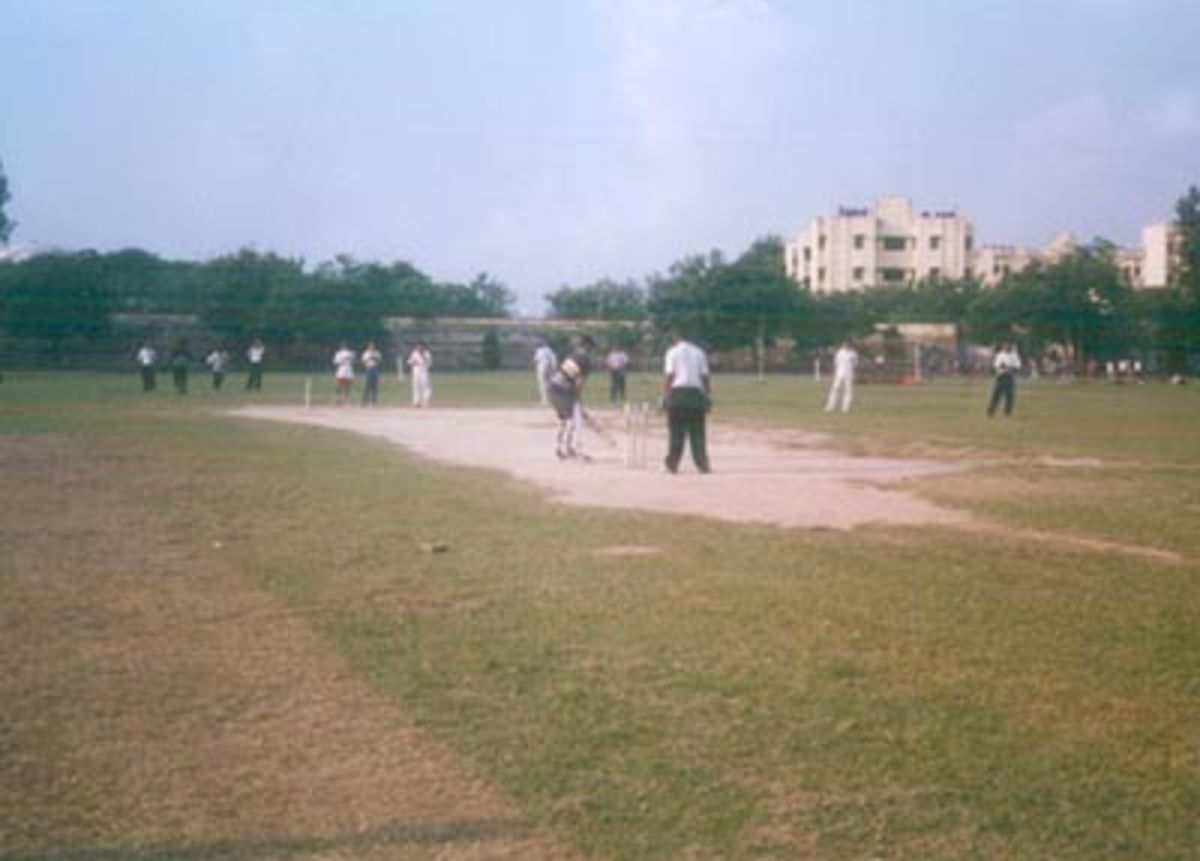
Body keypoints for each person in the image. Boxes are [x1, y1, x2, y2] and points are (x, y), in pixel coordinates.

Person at [662, 330, 711, 474]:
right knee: (698, 432)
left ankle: (672, 463)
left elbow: (670, 375)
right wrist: (707, 395)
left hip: (678, 393)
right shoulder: (699, 352)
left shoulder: (672, 352)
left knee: (676, 432)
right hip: (695, 394)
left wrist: (665, 394)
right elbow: (705, 376)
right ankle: (702, 464)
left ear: (676, 337)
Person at [547, 334, 596, 459]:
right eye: (591, 347)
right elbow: (580, 382)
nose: (592, 350)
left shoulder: (571, 355)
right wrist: (577, 398)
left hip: (552, 387)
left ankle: (559, 447)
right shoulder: (585, 360)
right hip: (563, 390)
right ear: (588, 346)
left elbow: (563, 372)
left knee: (564, 419)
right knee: (572, 420)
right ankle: (570, 449)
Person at [987, 342, 1022, 417]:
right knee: (996, 395)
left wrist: (1008, 367)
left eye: (1008, 346)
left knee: (1009, 396)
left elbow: (1017, 367)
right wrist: (1008, 367)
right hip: (1001, 376)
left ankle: (1007, 412)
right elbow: (997, 366)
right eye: (1005, 345)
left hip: (1009, 377)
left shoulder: (1014, 355)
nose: (1007, 347)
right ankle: (991, 411)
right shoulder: (1000, 355)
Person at [824, 339, 859, 413]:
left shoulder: (853, 354)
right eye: (844, 344)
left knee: (848, 391)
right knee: (835, 389)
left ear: (850, 345)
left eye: (847, 344)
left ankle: (845, 408)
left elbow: (855, 365)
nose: (846, 345)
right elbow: (836, 363)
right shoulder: (839, 352)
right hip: (839, 374)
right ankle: (830, 406)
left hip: (849, 374)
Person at [407, 341, 433, 408]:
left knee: (426, 388)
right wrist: (413, 362)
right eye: (418, 346)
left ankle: (426, 402)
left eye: (421, 346)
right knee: (416, 388)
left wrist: (422, 356)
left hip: (424, 372)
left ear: (423, 347)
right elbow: (409, 362)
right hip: (416, 373)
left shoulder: (427, 354)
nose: (419, 348)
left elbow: (428, 363)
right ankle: (416, 402)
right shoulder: (414, 353)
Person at [533, 339, 557, 405]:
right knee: (549, 383)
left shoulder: (539, 350)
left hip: (542, 365)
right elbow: (554, 360)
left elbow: (536, 360)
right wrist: (553, 368)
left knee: (542, 383)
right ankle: (552, 398)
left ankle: (545, 400)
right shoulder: (550, 350)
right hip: (550, 366)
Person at [332, 341, 356, 406]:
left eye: (345, 345)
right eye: (343, 345)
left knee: (347, 386)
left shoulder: (351, 353)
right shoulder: (338, 353)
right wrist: (342, 361)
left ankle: (346, 400)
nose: (344, 347)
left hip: (348, 369)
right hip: (341, 369)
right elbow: (336, 362)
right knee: (339, 385)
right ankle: (338, 399)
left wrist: (350, 360)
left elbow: (354, 361)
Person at [361, 341, 383, 406]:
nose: (372, 347)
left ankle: (373, 401)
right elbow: (363, 361)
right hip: (368, 368)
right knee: (367, 386)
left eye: (373, 346)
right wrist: (369, 358)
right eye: (370, 346)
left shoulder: (377, 353)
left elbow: (379, 360)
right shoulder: (366, 353)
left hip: (375, 368)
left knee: (375, 386)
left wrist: (374, 358)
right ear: (368, 346)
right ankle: (365, 401)